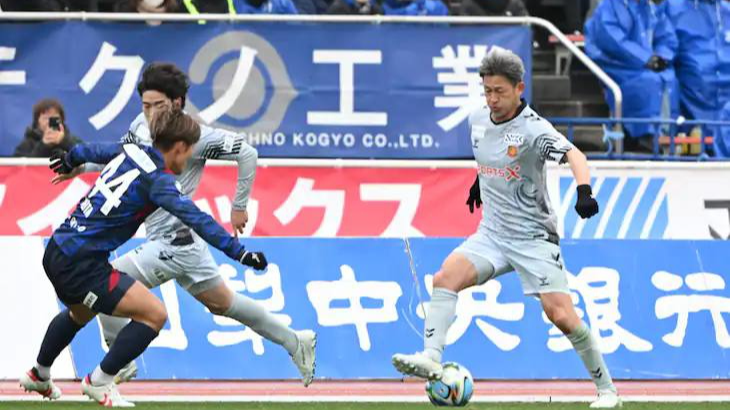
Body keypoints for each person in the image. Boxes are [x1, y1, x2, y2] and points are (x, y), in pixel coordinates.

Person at [56, 63, 317, 388]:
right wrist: (81, 168)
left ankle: (118, 363)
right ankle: (296, 341)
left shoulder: (196, 136)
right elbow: (123, 160)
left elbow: (247, 153)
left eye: (158, 105)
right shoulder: (140, 126)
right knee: (223, 304)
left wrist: (239, 205)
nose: (150, 112)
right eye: (146, 105)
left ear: (177, 102)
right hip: (180, 244)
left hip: (173, 242)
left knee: (104, 286)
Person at [390, 48, 620, 409]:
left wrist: (584, 192)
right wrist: (479, 183)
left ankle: (607, 391)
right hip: (493, 234)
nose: (492, 99)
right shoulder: (477, 119)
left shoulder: (533, 129)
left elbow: (576, 155)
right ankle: (431, 359)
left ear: (519, 88)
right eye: (487, 91)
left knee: (561, 316)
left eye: (499, 91)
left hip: (533, 238)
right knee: (445, 277)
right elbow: (490, 158)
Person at [19, 109, 269, 407]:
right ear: (179, 147)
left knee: (80, 313)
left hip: (58, 247)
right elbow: (197, 219)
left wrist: (70, 158)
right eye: (190, 150)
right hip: (81, 265)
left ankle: (39, 373)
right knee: (154, 315)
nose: (190, 158)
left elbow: (93, 150)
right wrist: (240, 252)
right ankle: (99, 382)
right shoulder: (159, 182)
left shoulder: (130, 150)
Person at [584, 0, 677, 151]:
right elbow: (612, 40)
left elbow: (666, 37)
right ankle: (645, 136)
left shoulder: (649, 7)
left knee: (669, 78)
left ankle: (666, 133)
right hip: (618, 65)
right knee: (648, 81)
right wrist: (645, 58)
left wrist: (662, 56)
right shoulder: (609, 6)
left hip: (645, 66)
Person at [14, 98, 82, 158]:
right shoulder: (27, 144)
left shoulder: (73, 140)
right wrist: (43, 145)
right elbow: (18, 166)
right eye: (45, 118)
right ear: (37, 121)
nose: (49, 122)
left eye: (54, 118)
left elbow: (84, 157)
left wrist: (64, 141)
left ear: (62, 120)